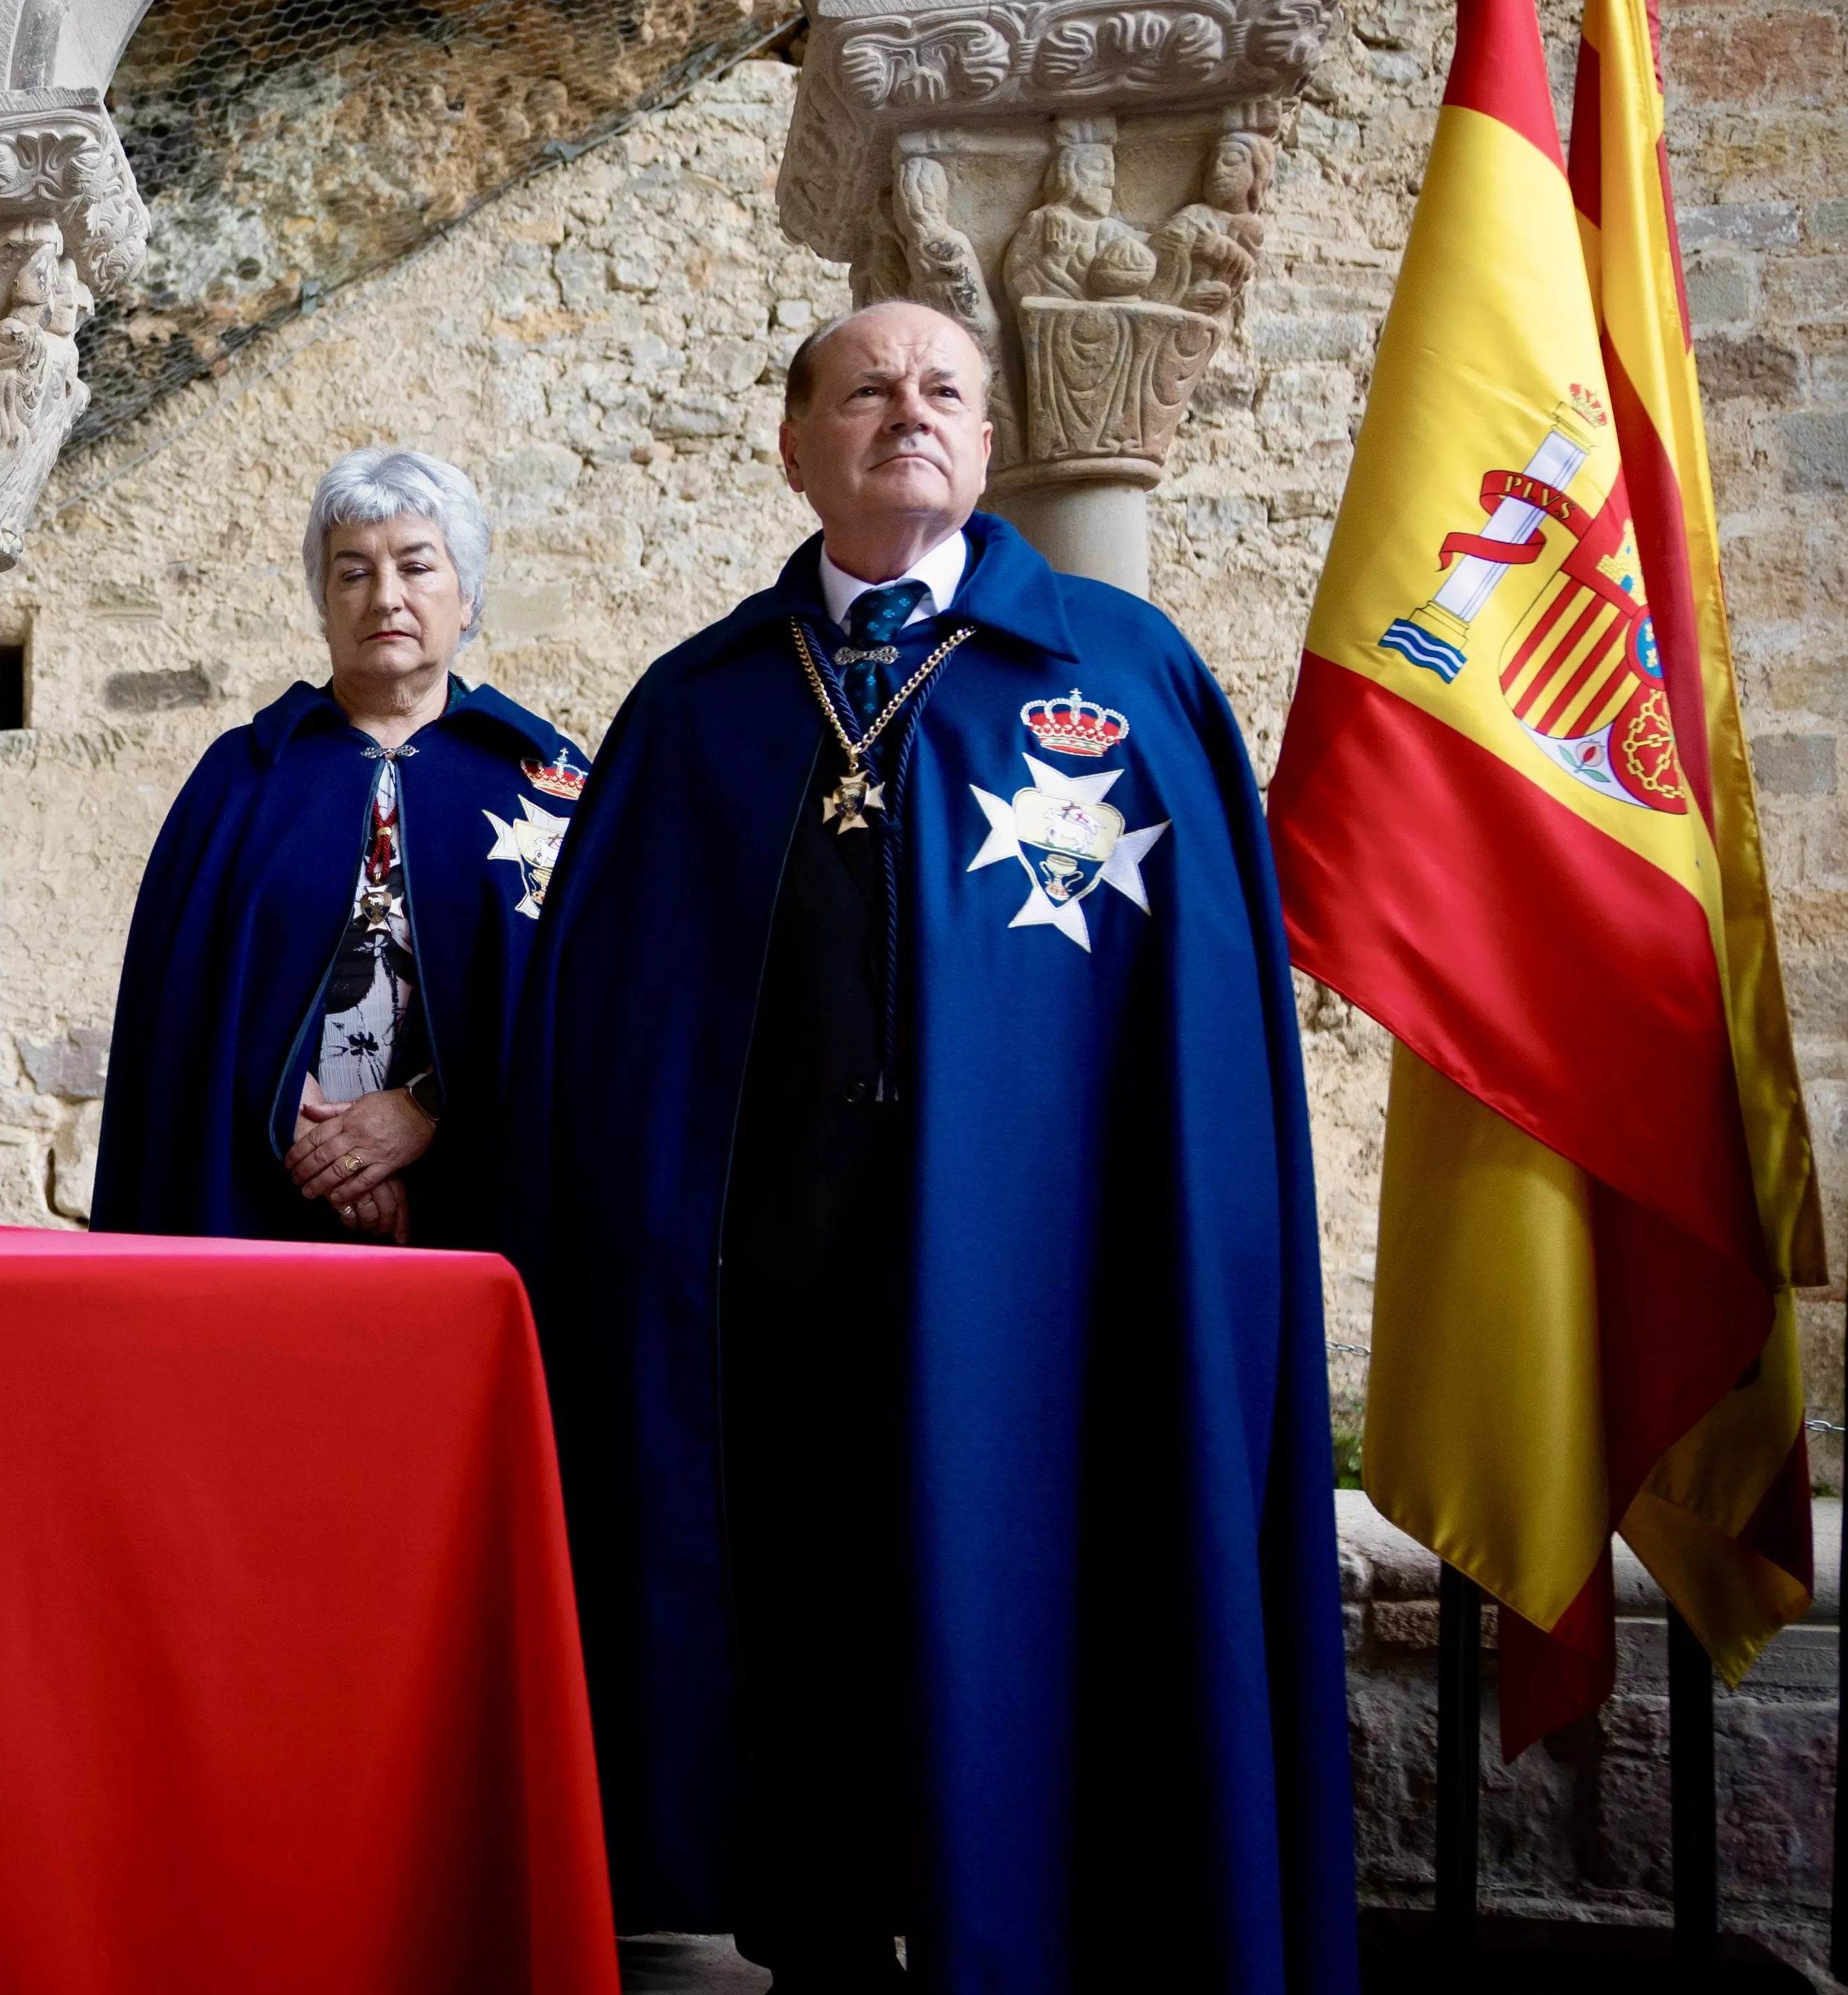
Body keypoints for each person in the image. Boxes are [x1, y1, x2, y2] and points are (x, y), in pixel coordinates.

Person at [504, 302, 1353, 1989]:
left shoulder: (1121, 672)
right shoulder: (699, 709)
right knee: (809, 1652)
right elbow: (607, 1051)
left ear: (987, 439)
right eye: (866, 390)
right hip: (772, 1319)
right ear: (795, 443)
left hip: (1049, 1311)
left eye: (945, 390)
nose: (910, 413)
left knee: (1029, 1624)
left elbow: (1199, 1053)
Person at [91, 448, 590, 1248]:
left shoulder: (547, 781)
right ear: (324, 605)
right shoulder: (243, 778)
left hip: (481, 1200)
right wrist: (310, 1127)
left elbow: (583, 1008)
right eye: (352, 573)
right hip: (262, 1195)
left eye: (417, 567)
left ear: (468, 599)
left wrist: (422, 1111)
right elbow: (184, 1000)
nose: (385, 596)